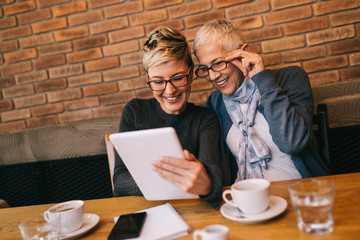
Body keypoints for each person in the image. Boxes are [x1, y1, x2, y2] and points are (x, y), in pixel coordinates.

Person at [193, 19, 330, 183]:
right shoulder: (215, 103)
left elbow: (292, 143)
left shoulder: (291, 78)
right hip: (248, 199)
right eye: (205, 69)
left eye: (219, 63)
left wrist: (262, 79)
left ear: (243, 52)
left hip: (301, 192)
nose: (213, 76)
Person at [113, 26, 230, 208]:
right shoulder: (135, 111)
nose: (170, 90)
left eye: (177, 78)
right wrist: (175, 179)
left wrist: (205, 181)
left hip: (189, 210)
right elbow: (120, 179)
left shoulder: (205, 119)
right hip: (139, 209)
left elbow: (212, 175)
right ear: (148, 78)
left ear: (191, 73)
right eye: (158, 81)